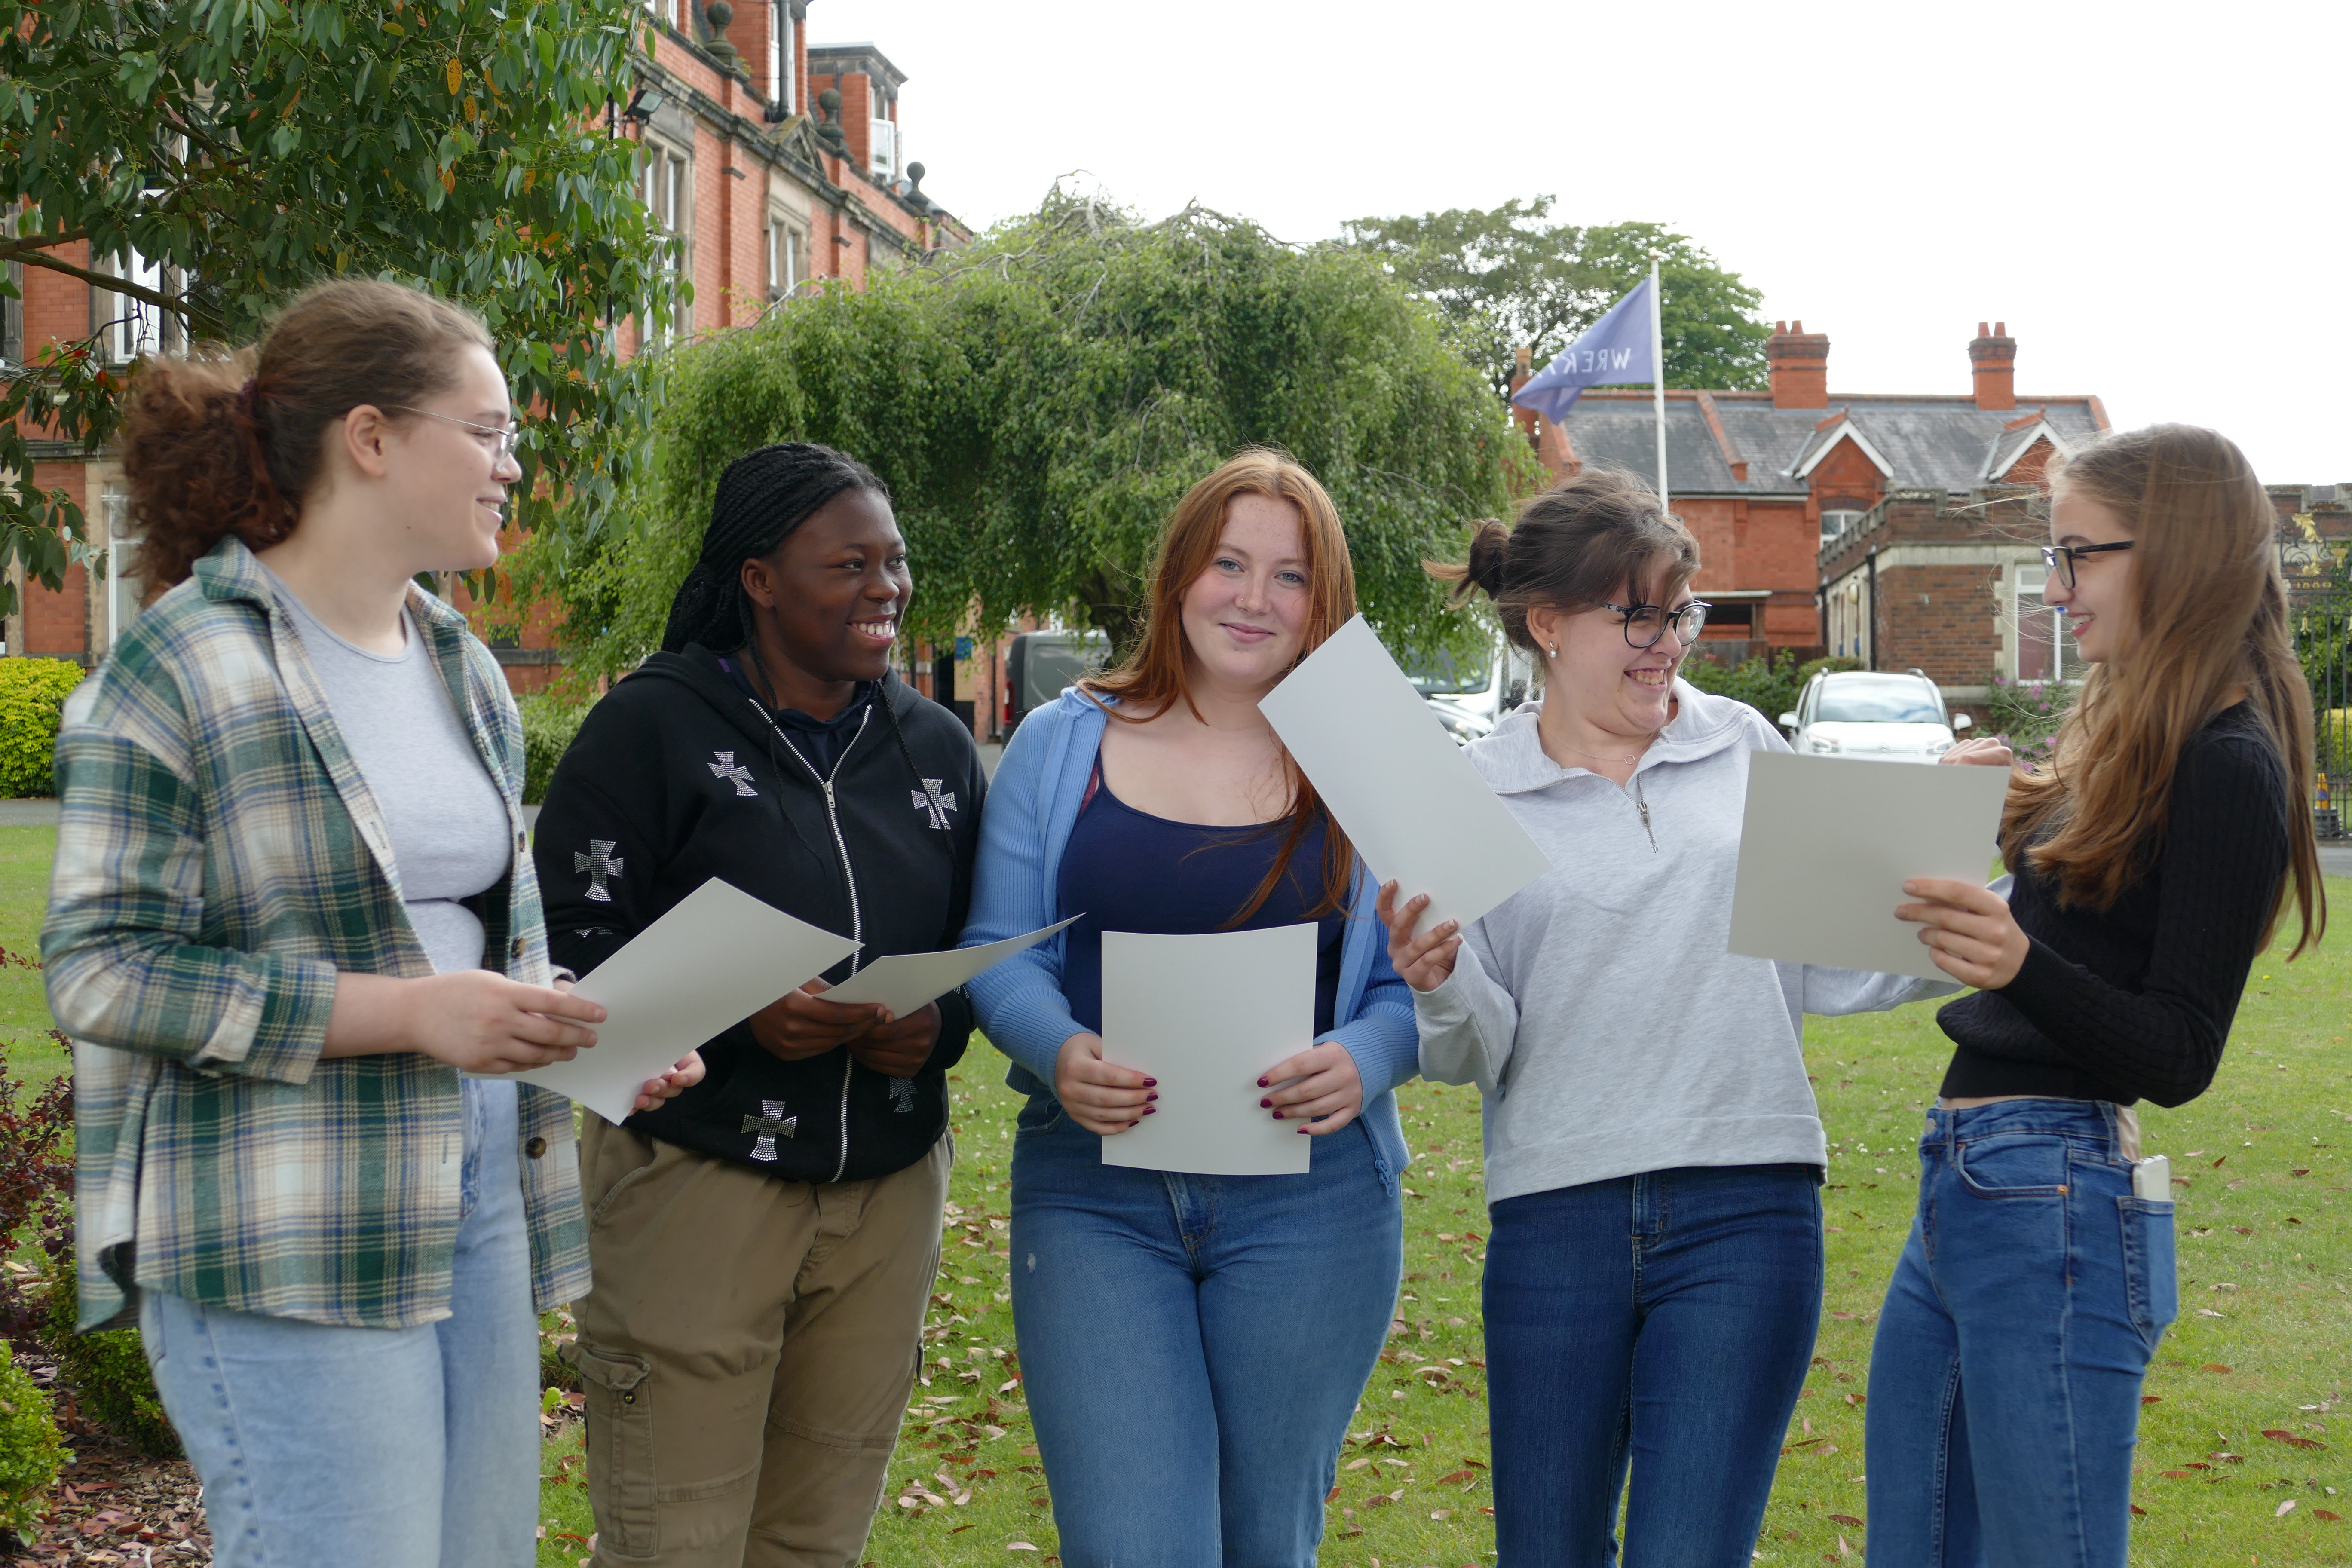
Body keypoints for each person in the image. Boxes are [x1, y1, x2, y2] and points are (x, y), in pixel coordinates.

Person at [43, 278, 701, 1568]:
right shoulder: (179, 666)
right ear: (372, 437)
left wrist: (583, 1035)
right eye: (491, 430)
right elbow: (101, 973)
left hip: (474, 1207)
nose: (513, 466)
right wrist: (412, 1016)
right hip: (288, 1224)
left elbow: (465, 941)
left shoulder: (459, 663)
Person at [1379, 468, 1956, 1568]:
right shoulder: (1468, 792)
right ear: (1548, 623)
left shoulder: (1742, 745)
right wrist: (1435, 979)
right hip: (1556, 1221)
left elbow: (1832, 959)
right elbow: (1474, 1048)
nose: (1667, 642)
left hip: (1749, 1209)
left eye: (1678, 610)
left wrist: (1985, 909)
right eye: (1636, 614)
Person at [1867, 425, 2325, 1566]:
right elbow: (2097, 899)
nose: (2056, 591)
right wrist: (2000, 802)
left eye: (2079, 558)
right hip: (1968, 1188)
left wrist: (2019, 960)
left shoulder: (2232, 759)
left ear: (2176, 554)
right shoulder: (2130, 734)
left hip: (2056, 1201)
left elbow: (2177, 1054)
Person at [959, 449, 1418, 1568]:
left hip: (1315, 1208)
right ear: (1178, 578)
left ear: (1328, 601)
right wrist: (1059, 1049)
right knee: (1133, 1546)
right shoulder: (1062, 740)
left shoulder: (1380, 752)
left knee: (1268, 1541)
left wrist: (1367, 1055)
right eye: (1228, 564)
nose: (1254, 599)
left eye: (1291, 577)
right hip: (1094, 1199)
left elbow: (1418, 979)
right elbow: (994, 952)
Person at [533, 442, 985, 1568]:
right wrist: (743, 1018)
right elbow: (565, 949)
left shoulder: (933, 745)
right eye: (849, 565)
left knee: (815, 1544)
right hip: (698, 1184)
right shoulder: (650, 728)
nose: (885, 589)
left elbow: (982, 943)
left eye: (896, 562)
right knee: (671, 1545)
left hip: (885, 1194)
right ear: (759, 578)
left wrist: (940, 1031)